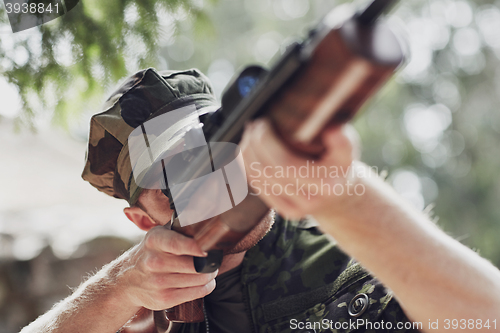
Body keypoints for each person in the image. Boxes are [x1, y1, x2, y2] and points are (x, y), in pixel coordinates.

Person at [20, 68, 500, 333]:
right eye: (175, 179)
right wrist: (117, 289)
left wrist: (341, 197)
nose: (208, 184)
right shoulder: (140, 314)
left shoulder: (353, 261)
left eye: (213, 156)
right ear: (143, 222)